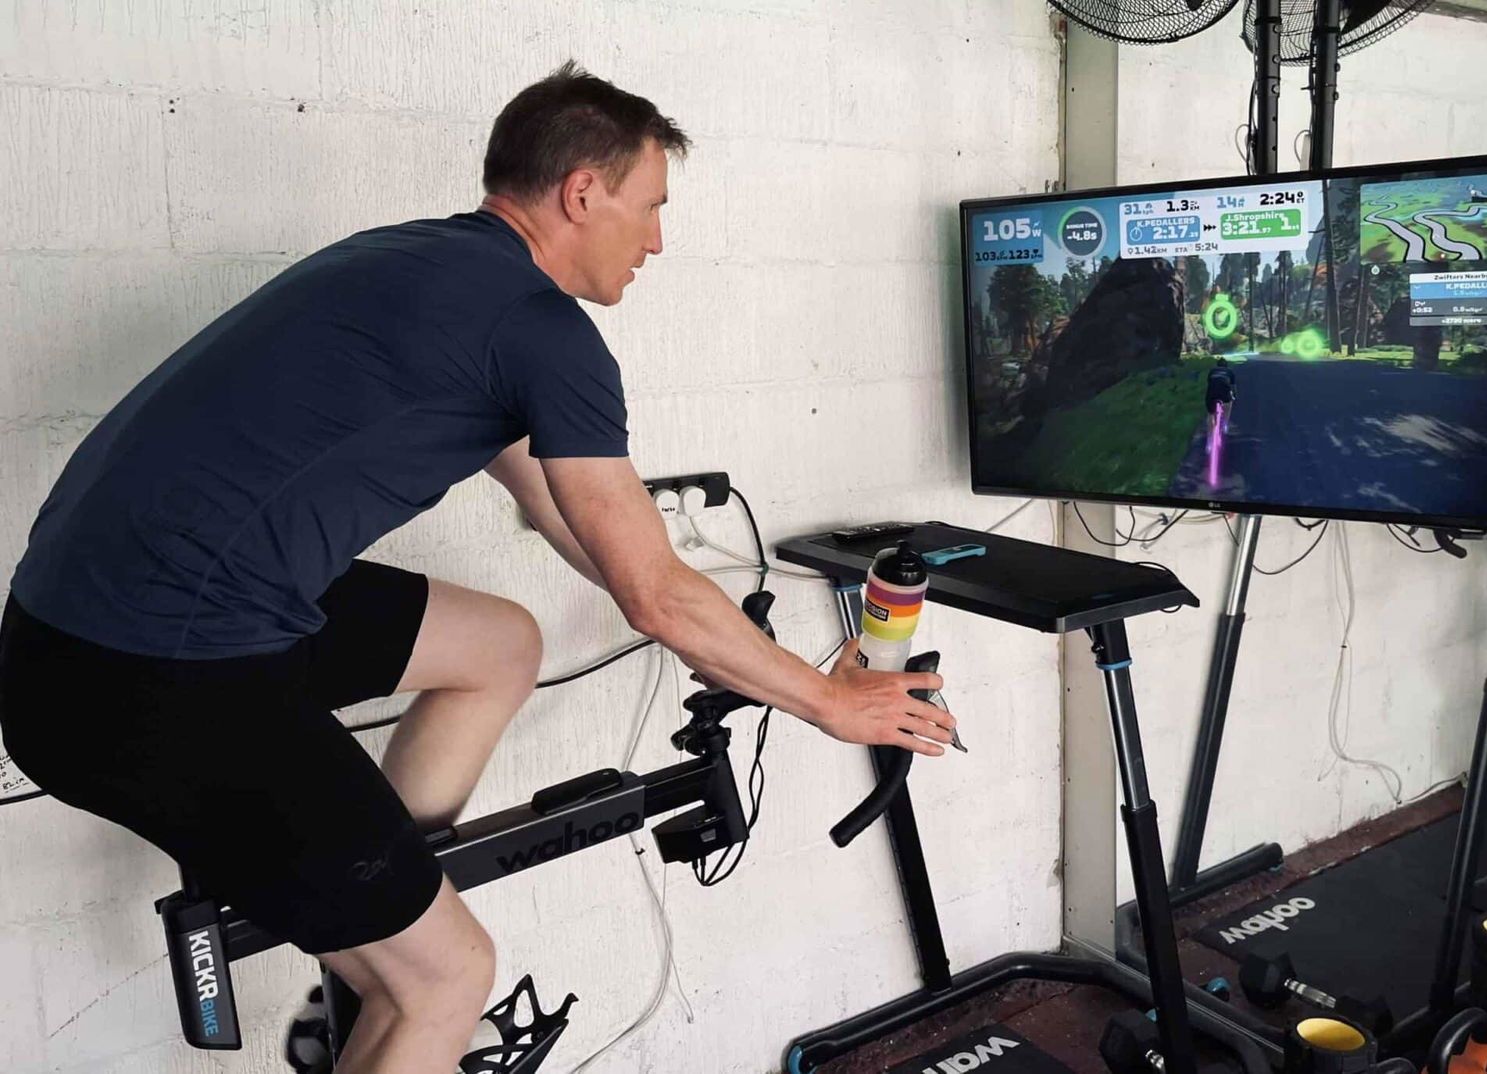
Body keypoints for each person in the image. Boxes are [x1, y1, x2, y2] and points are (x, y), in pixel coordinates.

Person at [0, 62, 957, 1074]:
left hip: (79, 633)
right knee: (451, 978)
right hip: (157, 676)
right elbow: (651, 591)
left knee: (499, 644)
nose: (658, 241)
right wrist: (826, 702)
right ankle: (397, 972)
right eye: (650, 208)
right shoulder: (540, 331)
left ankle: (366, 932)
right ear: (582, 194)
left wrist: (747, 657)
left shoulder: (423, 264)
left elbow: (567, 521)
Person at [1205, 355, 1237, 436]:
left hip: (1212, 392)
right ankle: (1225, 424)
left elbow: (1209, 383)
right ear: (1226, 365)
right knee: (1229, 403)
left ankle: (1209, 441)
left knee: (1210, 414)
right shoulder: (1230, 371)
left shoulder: (1212, 371)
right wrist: (1234, 396)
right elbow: (1233, 387)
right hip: (1224, 392)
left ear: (1217, 365)